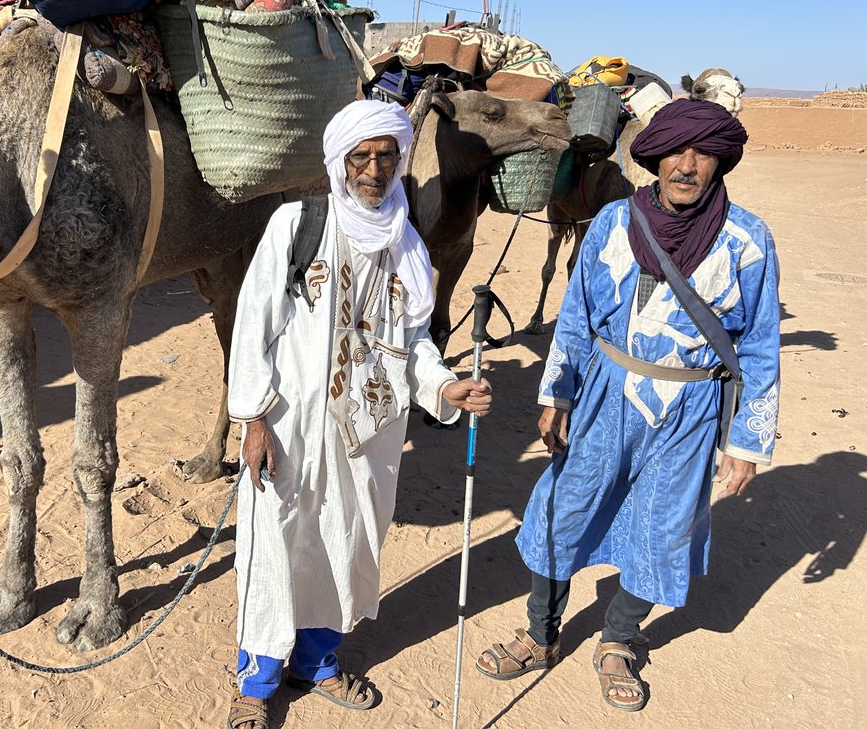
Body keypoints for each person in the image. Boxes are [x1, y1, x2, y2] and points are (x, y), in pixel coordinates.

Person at [475, 99, 780, 712]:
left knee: (664, 527)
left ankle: (618, 638)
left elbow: (760, 343)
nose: (687, 166)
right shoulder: (615, 222)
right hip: (605, 394)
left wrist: (747, 443)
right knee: (564, 510)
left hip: (690, 407)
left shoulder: (748, 240)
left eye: (703, 154)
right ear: (655, 157)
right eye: (675, 152)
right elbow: (577, 317)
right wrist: (557, 393)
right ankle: (540, 633)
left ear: (721, 162)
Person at [224, 99, 494, 729]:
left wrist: (444, 387)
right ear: (339, 161)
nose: (374, 170)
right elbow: (252, 325)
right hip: (289, 425)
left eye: (386, 156)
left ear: (400, 162)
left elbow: (414, 341)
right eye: (361, 156)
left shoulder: (408, 246)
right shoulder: (298, 225)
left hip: (369, 432)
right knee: (273, 546)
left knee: (346, 543)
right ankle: (256, 682)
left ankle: (317, 663)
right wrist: (252, 418)